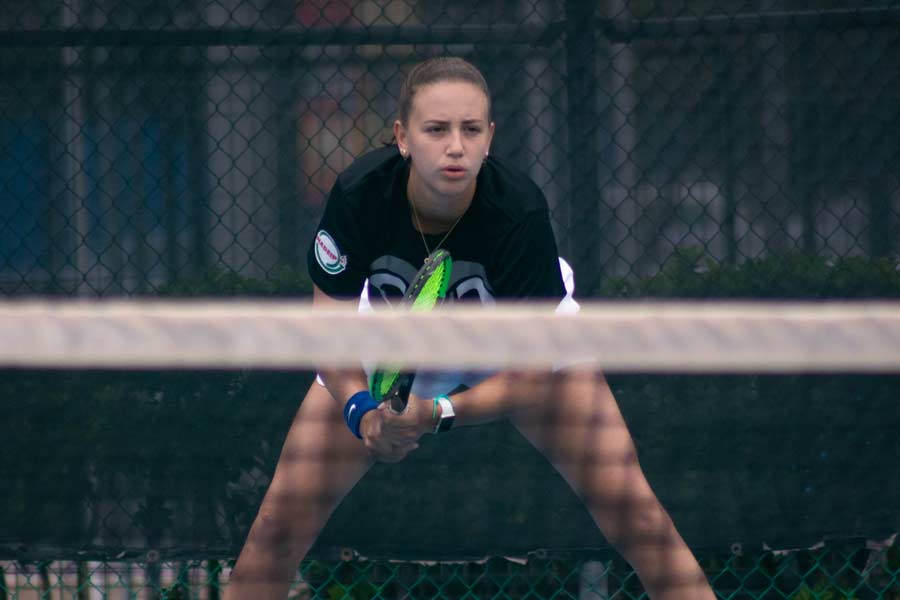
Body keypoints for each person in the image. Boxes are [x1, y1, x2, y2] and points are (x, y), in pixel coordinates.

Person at [224, 56, 716, 600]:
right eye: (436, 130)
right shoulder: (358, 194)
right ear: (402, 138)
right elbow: (330, 333)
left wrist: (438, 414)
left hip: (511, 354)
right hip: (385, 347)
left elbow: (531, 376)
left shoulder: (520, 212)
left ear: (489, 138)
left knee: (638, 516)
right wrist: (361, 412)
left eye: (470, 129)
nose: (454, 146)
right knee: (274, 529)